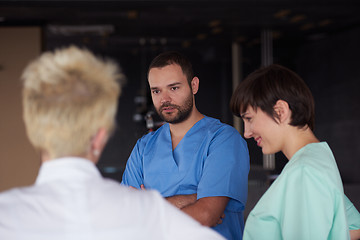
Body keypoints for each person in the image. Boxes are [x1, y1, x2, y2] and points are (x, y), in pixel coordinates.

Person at [0, 46, 224, 240]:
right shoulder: (145, 210)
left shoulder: (5, 215)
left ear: (33, 133)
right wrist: (193, 199)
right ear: (101, 136)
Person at [121, 51, 250, 240]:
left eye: (173, 88)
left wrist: (149, 207)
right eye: (156, 91)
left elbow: (206, 215)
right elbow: (126, 216)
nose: (165, 99)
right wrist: (193, 198)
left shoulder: (223, 140)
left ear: (194, 85)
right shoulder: (143, 148)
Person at [230, 64, 360, 240]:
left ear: (280, 111)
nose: (246, 133)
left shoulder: (304, 171)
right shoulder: (318, 158)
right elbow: (353, 226)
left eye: (249, 118)